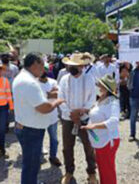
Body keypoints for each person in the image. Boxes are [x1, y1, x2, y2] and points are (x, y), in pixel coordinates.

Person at [13, 52, 64, 184]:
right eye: (42, 66)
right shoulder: (30, 82)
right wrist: (57, 102)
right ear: (35, 63)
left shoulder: (22, 77)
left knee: (31, 163)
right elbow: (43, 108)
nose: (44, 70)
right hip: (31, 130)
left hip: (26, 126)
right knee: (31, 165)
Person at [59, 53, 97, 184]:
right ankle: (69, 171)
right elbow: (61, 98)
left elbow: (92, 99)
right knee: (67, 147)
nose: (71, 68)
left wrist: (81, 112)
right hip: (67, 118)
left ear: (82, 66)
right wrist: (71, 113)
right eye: (70, 65)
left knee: (89, 146)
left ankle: (91, 172)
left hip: (85, 118)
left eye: (75, 66)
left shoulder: (89, 79)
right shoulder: (64, 79)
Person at [81, 75, 120, 184]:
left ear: (106, 88)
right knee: (103, 168)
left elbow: (114, 121)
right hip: (99, 140)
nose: (97, 86)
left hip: (107, 141)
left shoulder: (113, 102)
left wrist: (94, 126)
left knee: (107, 170)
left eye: (99, 85)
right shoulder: (101, 99)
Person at [38, 63, 62, 167]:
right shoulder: (34, 84)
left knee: (54, 139)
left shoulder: (53, 82)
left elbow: (59, 94)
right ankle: (38, 157)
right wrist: (50, 94)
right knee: (38, 138)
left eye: (44, 70)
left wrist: (46, 94)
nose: (42, 71)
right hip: (39, 115)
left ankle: (53, 156)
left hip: (52, 116)